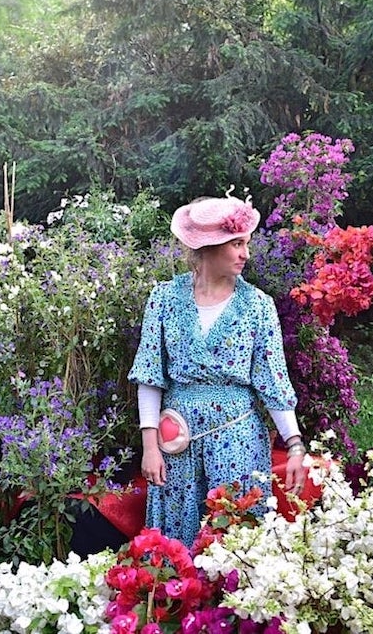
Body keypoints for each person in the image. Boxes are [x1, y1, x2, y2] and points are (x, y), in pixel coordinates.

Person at [128, 195, 306, 547]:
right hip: (177, 440)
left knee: (234, 539)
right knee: (175, 542)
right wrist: (150, 447)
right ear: (208, 247)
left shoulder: (258, 306)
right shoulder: (164, 299)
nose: (246, 254)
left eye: (246, 244)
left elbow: (273, 381)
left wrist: (295, 444)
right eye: (236, 244)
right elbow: (149, 375)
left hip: (238, 440)